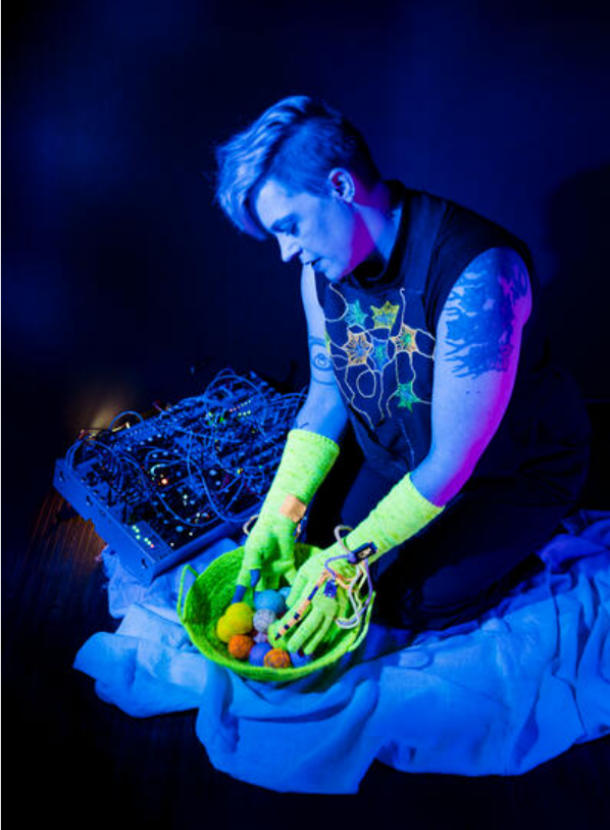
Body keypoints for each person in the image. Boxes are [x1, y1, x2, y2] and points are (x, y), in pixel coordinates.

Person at [214, 95, 590, 656]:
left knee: (409, 601)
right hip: (403, 450)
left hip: (503, 467)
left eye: (290, 227)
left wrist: (350, 561)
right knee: (314, 546)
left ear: (340, 186)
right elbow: (327, 392)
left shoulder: (480, 273)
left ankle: (528, 542)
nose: (287, 253)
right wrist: (281, 510)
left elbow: (452, 461)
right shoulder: (321, 268)